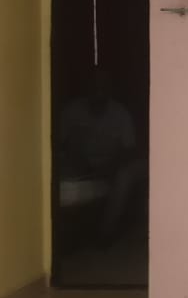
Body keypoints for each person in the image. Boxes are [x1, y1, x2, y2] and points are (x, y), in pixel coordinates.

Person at [58, 69, 144, 243]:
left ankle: (105, 233)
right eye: (93, 86)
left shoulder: (120, 114)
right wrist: (76, 158)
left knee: (126, 175)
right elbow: (59, 143)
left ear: (109, 89)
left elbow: (129, 151)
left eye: (102, 86)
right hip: (77, 166)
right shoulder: (72, 111)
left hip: (110, 166)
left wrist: (109, 167)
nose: (98, 91)